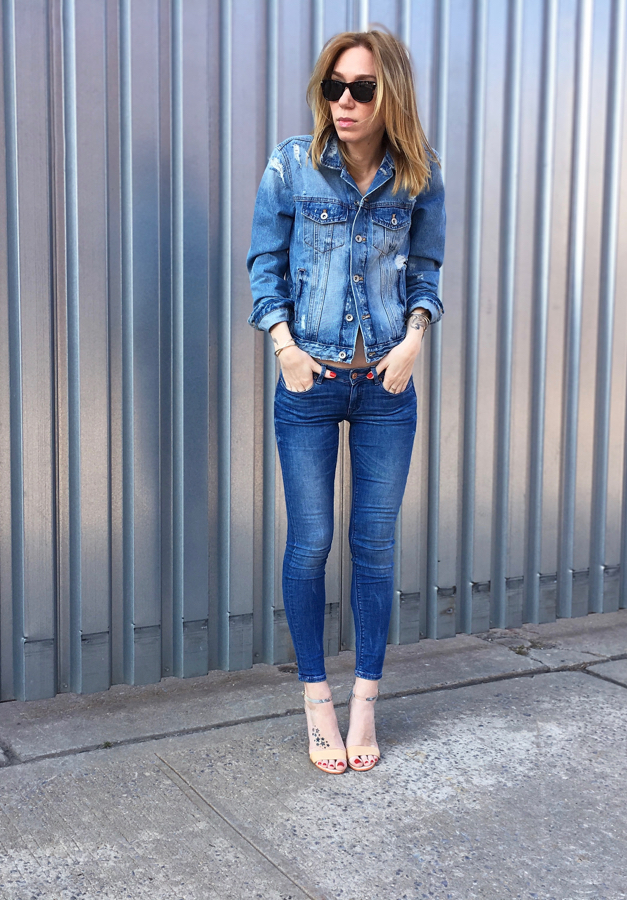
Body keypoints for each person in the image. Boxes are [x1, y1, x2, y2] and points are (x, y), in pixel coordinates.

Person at [246, 29, 446, 774]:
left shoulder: (419, 176)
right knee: (310, 542)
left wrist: (416, 337)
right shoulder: (293, 165)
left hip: (387, 388)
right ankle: (314, 700)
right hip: (309, 384)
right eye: (334, 86)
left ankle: (366, 697)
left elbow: (425, 273)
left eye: (362, 88)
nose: (345, 102)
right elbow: (264, 265)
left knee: (375, 546)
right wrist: (286, 350)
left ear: (389, 91)